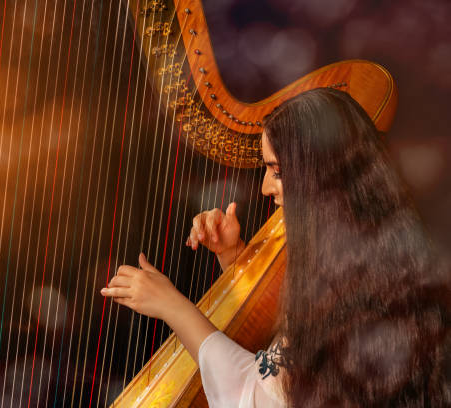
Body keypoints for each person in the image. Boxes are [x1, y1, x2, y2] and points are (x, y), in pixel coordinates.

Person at [101, 88, 450, 407]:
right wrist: (233, 256)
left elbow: (257, 396)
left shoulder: (354, 285)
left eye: (277, 171)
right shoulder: (381, 255)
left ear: (318, 176)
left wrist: (173, 307)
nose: (266, 187)